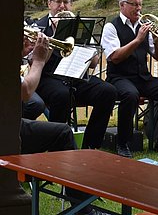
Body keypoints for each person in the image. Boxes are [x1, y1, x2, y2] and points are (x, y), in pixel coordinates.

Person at [20, 30, 109, 215]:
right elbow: (25, 92)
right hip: (7, 128)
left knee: (63, 130)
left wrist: (22, 52)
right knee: (62, 132)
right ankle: (83, 209)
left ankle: (84, 158)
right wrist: (39, 60)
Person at [102, 0, 158, 158]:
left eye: (140, 5)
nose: (138, 9)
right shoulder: (111, 27)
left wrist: (157, 41)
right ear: (122, 5)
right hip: (119, 76)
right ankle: (123, 143)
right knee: (130, 95)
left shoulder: (144, 27)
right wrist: (138, 40)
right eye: (134, 5)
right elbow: (114, 57)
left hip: (142, 77)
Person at [35, 0, 116, 150]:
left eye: (66, 2)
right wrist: (56, 36)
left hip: (75, 76)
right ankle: (57, 147)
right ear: (49, 4)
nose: (62, 6)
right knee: (61, 95)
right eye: (58, 2)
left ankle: (90, 146)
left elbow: (93, 63)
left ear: (71, 4)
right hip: (48, 77)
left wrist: (85, 39)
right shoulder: (39, 26)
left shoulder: (80, 25)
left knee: (108, 91)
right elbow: (37, 62)